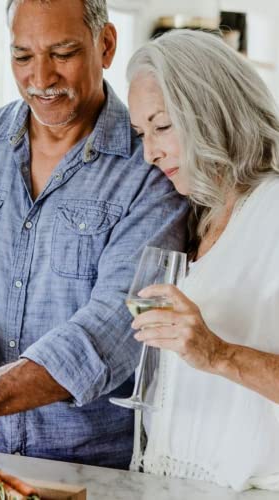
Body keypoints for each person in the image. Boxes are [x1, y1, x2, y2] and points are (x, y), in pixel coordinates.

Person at [0, 0, 187, 480]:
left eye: (63, 53)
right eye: (22, 56)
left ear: (106, 44)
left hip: (94, 472)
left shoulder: (152, 164)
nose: (41, 77)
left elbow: (115, 327)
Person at [126, 29, 279, 491]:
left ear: (210, 109)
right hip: (178, 483)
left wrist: (219, 354)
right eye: (140, 133)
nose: (150, 151)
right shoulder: (200, 214)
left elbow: (210, 356)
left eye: (162, 126)